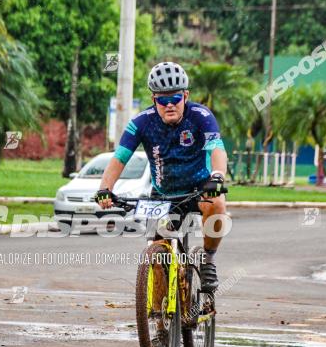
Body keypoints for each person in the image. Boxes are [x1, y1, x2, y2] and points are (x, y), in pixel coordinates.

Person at [96, 61, 228, 291]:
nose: (169, 105)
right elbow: (119, 158)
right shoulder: (141, 122)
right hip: (163, 194)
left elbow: (217, 149)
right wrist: (104, 189)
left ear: (185, 96)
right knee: (156, 252)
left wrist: (217, 176)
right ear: (153, 100)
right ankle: (159, 319)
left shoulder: (201, 116)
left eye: (175, 98)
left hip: (198, 190)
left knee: (216, 203)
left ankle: (208, 258)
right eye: (162, 100)